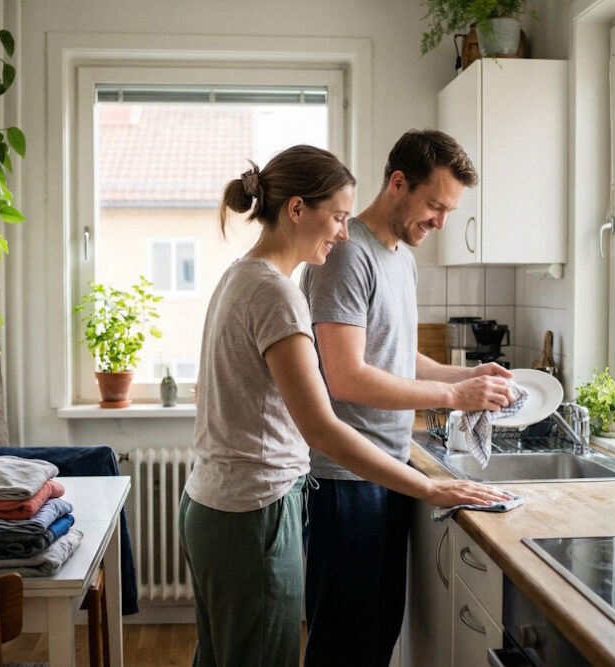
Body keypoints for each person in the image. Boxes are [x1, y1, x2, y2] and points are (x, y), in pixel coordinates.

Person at [178, 144, 512, 667]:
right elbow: (325, 424)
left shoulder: (243, 277)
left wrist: (464, 377)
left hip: (221, 503)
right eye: (335, 217)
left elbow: (385, 353)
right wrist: (430, 482)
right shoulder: (278, 293)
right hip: (256, 509)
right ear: (295, 210)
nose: (342, 230)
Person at [299, 129, 516, 667]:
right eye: (435, 205)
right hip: (344, 481)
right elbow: (346, 376)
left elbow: (394, 356)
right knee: (343, 647)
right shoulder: (347, 256)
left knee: (375, 640)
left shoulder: (400, 257)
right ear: (398, 183)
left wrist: (465, 378)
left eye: (449, 210)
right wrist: (451, 393)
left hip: (386, 472)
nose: (441, 222)